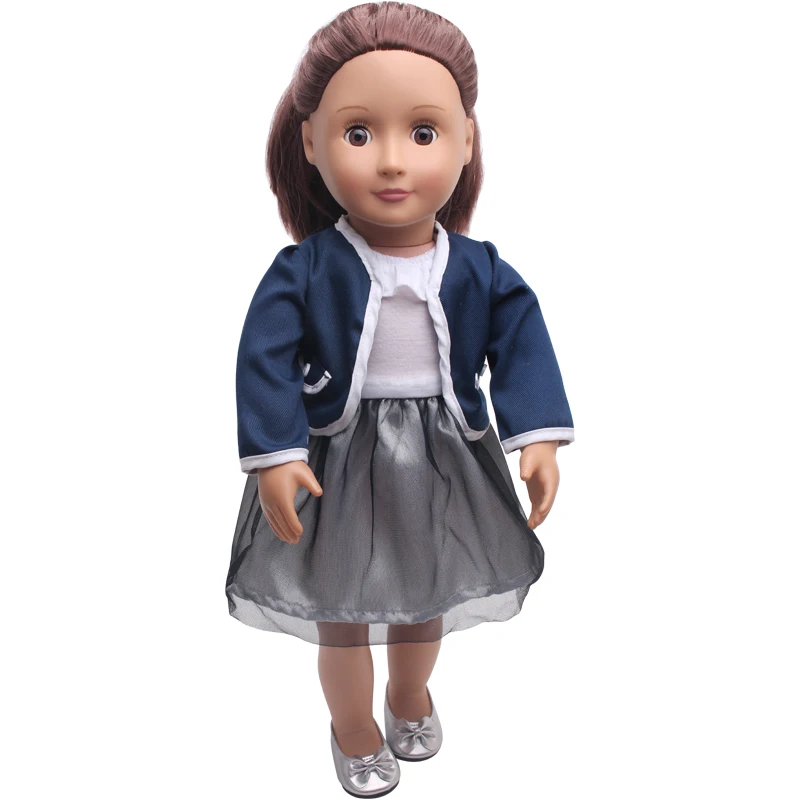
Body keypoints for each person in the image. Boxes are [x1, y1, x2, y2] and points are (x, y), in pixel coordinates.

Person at [225, 3, 575, 795]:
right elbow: (263, 358)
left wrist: (537, 437)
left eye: (423, 132)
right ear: (311, 142)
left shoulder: (480, 267)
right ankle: (352, 726)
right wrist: (275, 454)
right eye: (358, 133)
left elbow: (522, 343)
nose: (391, 162)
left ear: (466, 140)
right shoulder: (304, 269)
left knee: (427, 592)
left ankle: (409, 693)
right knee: (340, 607)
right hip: (335, 462)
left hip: (444, 455)